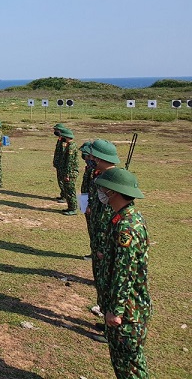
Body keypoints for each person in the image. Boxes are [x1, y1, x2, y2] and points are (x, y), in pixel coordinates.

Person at [94, 167, 151, 378]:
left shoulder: (126, 227)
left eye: (104, 188)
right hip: (130, 308)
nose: (101, 192)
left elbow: (124, 272)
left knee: (129, 367)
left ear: (113, 192)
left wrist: (116, 311)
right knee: (125, 365)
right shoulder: (128, 216)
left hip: (128, 313)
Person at [87, 139, 121, 340]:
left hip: (105, 241)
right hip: (98, 237)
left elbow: (113, 216)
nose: (90, 159)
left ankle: (112, 331)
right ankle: (106, 320)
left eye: (93, 156)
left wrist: (104, 247)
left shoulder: (113, 180)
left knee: (107, 284)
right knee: (101, 284)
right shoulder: (100, 175)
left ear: (100, 158)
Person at [58, 127, 79, 215]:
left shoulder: (71, 146)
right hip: (68, 172)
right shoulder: (70, 145)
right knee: (68, 190)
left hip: (70, 173)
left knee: (70, 191)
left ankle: (73, 208)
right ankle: (70, 207)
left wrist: (67, 174)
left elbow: (69, 162)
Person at [52, 122, 68, 201]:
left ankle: (65, 196)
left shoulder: (64, 140)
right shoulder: (60, 139)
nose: (54, 131)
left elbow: (64, 153)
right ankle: (63, 194)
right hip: (59, 164)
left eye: (56, 130)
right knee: (60, 180)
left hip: (62, 164)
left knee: (62, 180)